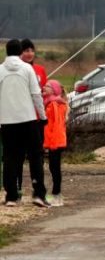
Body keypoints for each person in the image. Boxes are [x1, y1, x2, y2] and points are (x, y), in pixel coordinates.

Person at [0, 39, 50, 207]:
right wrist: (42, 117)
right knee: (35, 156)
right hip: (28, 119)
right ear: (20, 51)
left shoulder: (0, 70)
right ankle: (38, 193)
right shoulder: (27, 68)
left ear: (6, 51)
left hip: (7, 121)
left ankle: (11, 196)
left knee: (10, 157)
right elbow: (36, 95)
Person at [42, 80, 67, 206]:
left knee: (55, 168)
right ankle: (55, 194)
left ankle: (57, 195)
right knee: (53, 167)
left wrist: (51, 142)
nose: (44, 87)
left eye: (47, 86)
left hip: (55, 141)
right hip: (54, 140)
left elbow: (55, 125)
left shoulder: (54, 104)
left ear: (54, 90)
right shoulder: (49, 102)